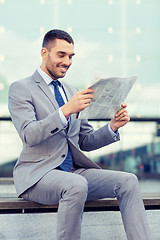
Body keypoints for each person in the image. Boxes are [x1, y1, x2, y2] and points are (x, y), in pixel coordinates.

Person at [8, 29, 151, 240]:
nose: (67, 61)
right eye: (61, 55)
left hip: (73, 173)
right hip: (37, 176)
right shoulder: (21, 88)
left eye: (71, 56)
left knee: (129, 181)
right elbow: (29, 134)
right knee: (76, 185)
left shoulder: (70, 89)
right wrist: (65, 110)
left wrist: (112, 127)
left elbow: (84, 140)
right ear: (44, 53)